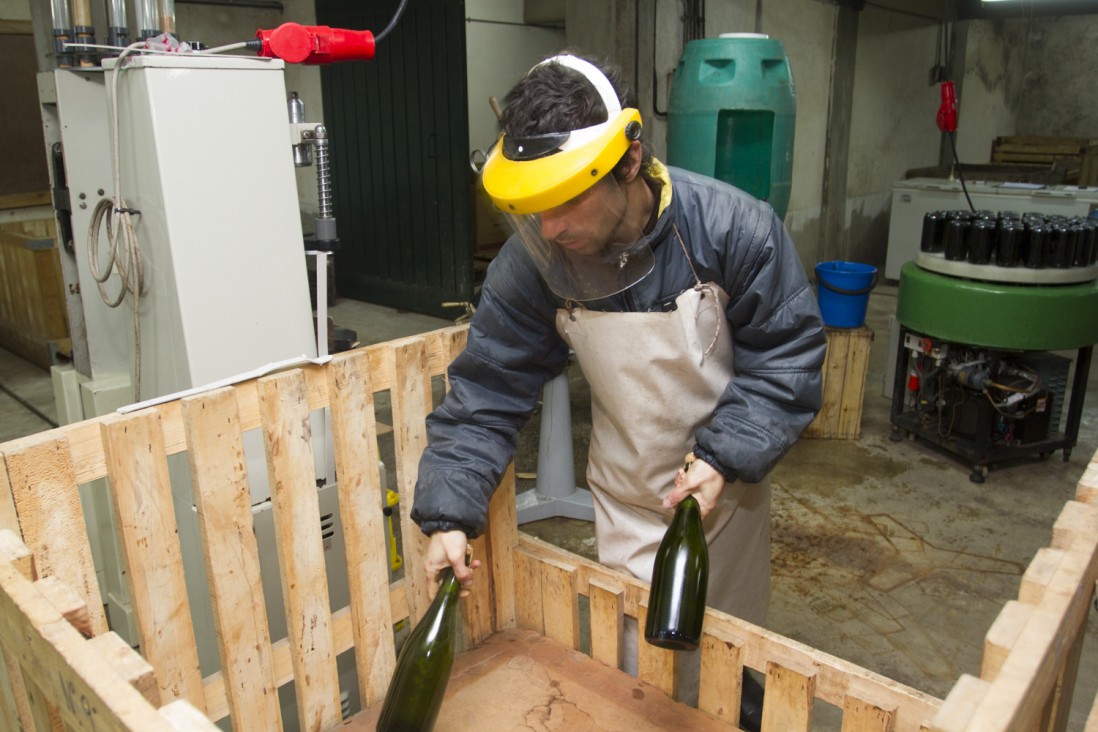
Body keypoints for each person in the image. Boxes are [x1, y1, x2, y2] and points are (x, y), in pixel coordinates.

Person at [410, 52, 826, 729]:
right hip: (628, 498)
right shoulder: (537, 263)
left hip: (728, 496)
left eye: (566, 200)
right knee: (637, 678)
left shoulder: (733, 231)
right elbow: (487, 391)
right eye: (533, 208)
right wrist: (450, 512)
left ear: (628, 162)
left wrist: (725, 456)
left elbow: (788, 358)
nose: (548, 231)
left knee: (732, 660)